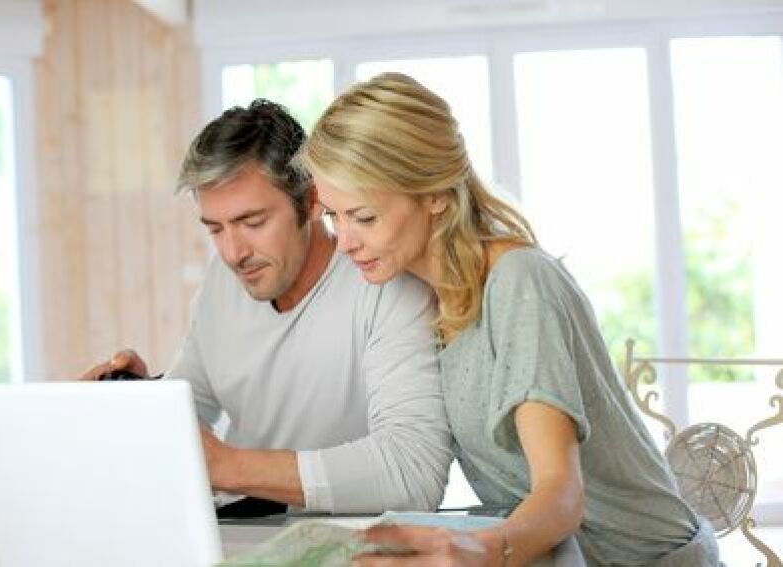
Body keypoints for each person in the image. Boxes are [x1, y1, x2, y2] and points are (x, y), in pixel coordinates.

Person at [299, 73, 719, 566]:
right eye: (333, 217)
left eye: (363, 217)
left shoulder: (519, 281)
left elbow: (562, 495)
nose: (345, 241)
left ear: (434, 195)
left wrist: (475, 550)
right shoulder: (417, 295)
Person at [82, 99, 452, 516]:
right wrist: (142, 403)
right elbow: (193, 406)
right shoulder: (224, 282)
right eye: (215, 229)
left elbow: (414, 471)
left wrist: (227, 467)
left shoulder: (385, 283)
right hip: (236, 531)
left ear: (312, 200)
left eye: (253, 223)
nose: (233, 252)